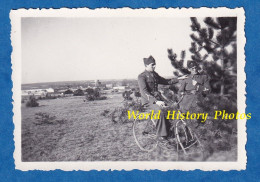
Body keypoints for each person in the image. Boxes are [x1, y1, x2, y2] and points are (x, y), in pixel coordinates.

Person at [138, 55, 187, 142]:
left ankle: (169, 132)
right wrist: (156, 101)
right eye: (152, 65)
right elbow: (144, 92)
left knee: (172, 108)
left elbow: (166, 81)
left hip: (158, 100)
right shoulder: (142, 76)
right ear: (146, 65)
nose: (154, 66)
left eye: (155, 64)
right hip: (149, 101)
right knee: (160, 112)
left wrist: (179, 79)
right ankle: (162, 136)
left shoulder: (155, 75)